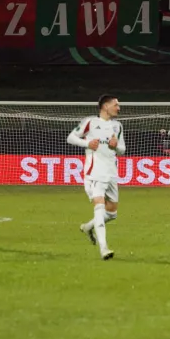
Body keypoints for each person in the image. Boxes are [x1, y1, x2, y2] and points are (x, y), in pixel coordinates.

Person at [66, 95, 125, 261]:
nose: (118, 108)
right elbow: (71, 137)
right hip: (94, 172)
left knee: (112, 213)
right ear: (105, 106)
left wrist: (116, 146)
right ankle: (104, 248)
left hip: (111, 172)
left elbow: (122, 149)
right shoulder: (90, 122)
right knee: (99, 207)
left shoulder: (118, 126)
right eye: (116, 105)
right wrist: (87, 144)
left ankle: (87, 227)